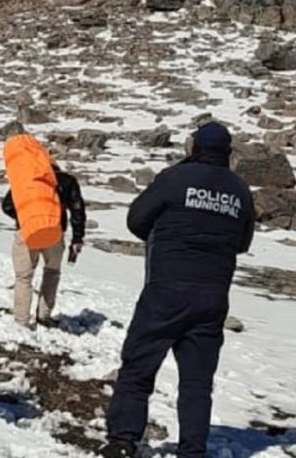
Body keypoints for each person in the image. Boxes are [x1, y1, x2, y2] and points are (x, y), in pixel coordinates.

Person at [104, 121, 255, 458]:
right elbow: (243, 242)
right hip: (213, 296)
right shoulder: (239, 190)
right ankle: (192, 451)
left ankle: (123, 441)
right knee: (197, 383)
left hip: (166, 290)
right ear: (227, 153)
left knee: (138, 368)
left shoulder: (174, 179)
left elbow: (136, 219)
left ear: (195, 147)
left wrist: (171, 237)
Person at [2, 161, 86, 328]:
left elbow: (7, 206)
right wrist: (77, 237)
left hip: (27, 231)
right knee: (52, 272)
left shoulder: (26, 179)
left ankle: (21, 320)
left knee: (24, 277)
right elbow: (77, 210)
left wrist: (25, 219)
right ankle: (44, 315)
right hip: (54, 232)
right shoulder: (67, 181)